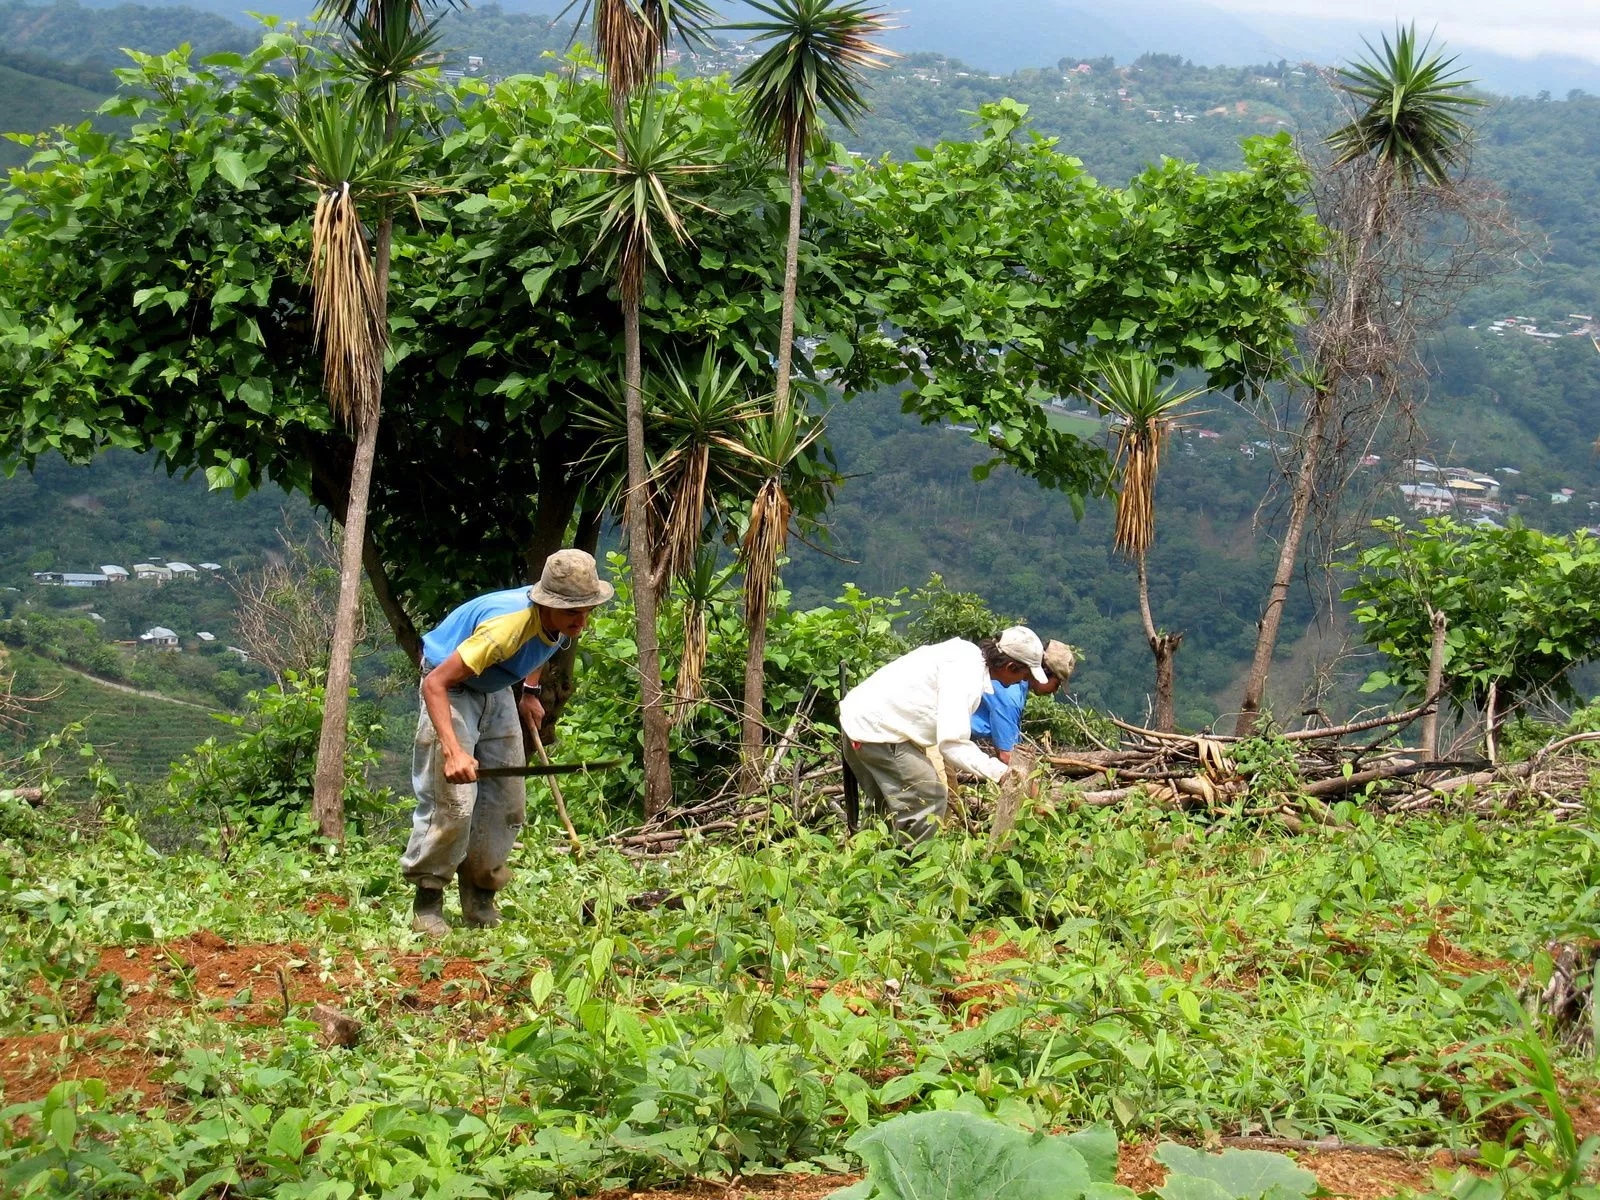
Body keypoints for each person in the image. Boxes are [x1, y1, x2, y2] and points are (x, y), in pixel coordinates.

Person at [400, 549, 614, 936]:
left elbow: (538, 645)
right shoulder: (507, 626)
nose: (581, 621)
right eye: (572, 613)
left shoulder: (557, 622)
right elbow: (436, 684)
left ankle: (480, 901)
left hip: (495, 684)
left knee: (507, 802)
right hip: (451, 684)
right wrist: (453, 750)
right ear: (547, 604)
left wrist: (529, 691)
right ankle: (427, 902)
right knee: (456, 801)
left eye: (586, 611)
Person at [840, 626, 1050, 844]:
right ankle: (910, 871)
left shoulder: (964, 654)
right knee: (929, 798)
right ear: (1010, 666)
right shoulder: (967, 676)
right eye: (1024, 675)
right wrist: (1001, 774)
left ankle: (869, 865)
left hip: (857, 720)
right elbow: (952, 745)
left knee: (882, 808)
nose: (1022, 682)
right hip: (879, 733)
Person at [970, 639, 1078, 764]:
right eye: (1057, 684)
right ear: (1045, 673)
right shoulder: (1011, 695)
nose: (1054, 691)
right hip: (946, 738)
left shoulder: (1017, 686)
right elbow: (1007, 755)